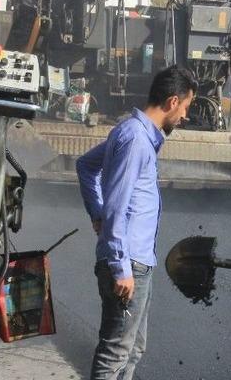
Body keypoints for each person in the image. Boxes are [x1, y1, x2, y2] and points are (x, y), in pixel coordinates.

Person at [76, 66, 197, 380]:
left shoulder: (134, 133)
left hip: (137, 261)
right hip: (128, 262)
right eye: (186, 107)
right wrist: (120, 267)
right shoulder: (135, 140)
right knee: (115, 352)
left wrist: (97, 214)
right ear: (172, 102)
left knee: (133, 348)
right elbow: (118, 200)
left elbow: (86, 166)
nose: (185, 116)